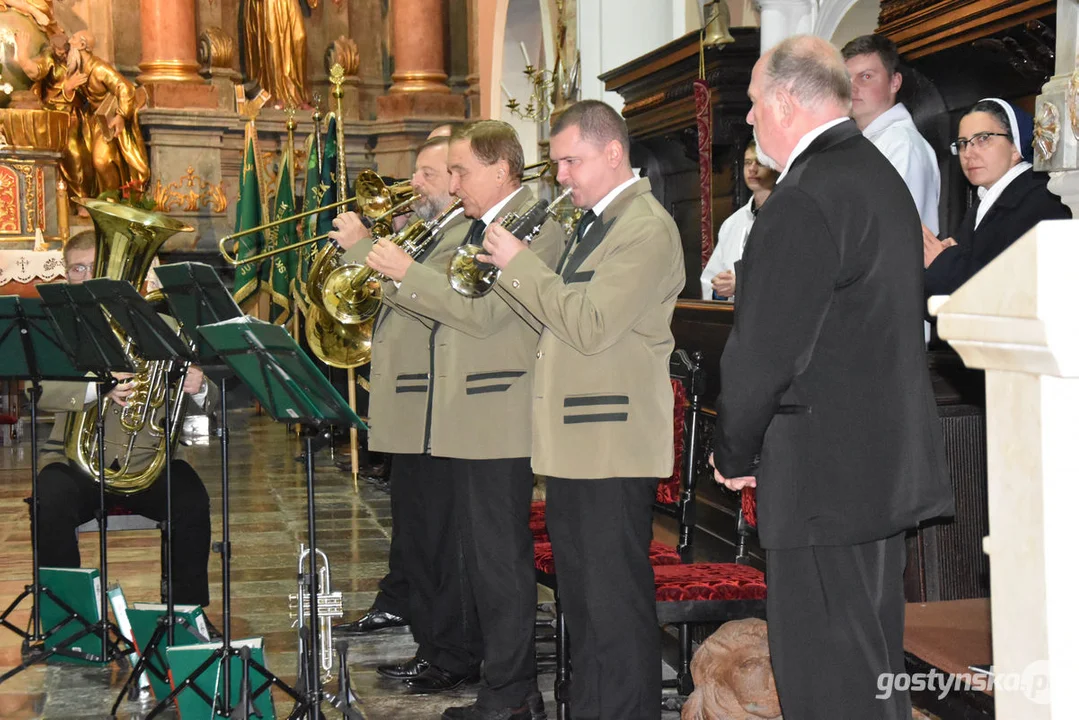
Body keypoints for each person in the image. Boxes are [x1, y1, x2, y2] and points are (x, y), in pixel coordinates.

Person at [708, 36, 954, 719]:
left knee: (823, 677)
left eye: (755, 103)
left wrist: (733, 451)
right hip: (871, 469)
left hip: (821, 478)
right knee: (864, 662)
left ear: (785, 101)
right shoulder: (872, 175)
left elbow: (764, 349)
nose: (749, 118)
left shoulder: (807, 194)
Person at [482, 100, 685, 720]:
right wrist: (511, 275)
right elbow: (557, 321)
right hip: (576, 442)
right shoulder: (590, 223)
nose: (560, 174)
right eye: (558, 161)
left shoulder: (645, 227)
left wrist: (523, 269)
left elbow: (592, 325)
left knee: (615, 608)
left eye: (571, 160)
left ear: (613, 152)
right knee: (586, 607)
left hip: (610, 442)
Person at [366, 120, 565, 718]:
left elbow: (482, 317)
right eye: (448, 172)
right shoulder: (482, 226)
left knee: (501, 563)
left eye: (461, 171)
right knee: (477, 560)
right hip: (465, 415)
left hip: (498, 414)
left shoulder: (536, 224)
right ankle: (503, 687)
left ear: (501, 169)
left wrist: (407, 273)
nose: (452, 183)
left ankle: (511, 693)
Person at [331, 136, 487, 694]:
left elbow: (429, 301)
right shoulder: (432, 233)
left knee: (438, 538)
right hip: (412, 403)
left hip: (436, 405)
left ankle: (449, 650)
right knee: (418, 535)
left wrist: (367, 249)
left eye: (426, 173)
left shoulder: (463, 237)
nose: (414, 182)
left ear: (454, 179)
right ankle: (432, 641)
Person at [33, 231, 217, 614]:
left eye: (93, 267)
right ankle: (63, 615)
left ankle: (186, 616)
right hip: (75, 463)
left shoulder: (164, 322)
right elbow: (42, 390)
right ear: (65, 275)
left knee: (192, 500)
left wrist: (198, 387)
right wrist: (99, 387)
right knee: (48, 501)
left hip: (150, 463)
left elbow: (210, 398)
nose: (85, 276)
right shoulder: (57, 325)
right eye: (76, 268)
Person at [923, 98, 1071, 299]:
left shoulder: (1042, 201)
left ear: (1016, 146)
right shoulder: (984, 202)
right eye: (963, 143)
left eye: (983, 139)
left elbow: (1014, 294)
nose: (968, 153)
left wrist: (942, 262)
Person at [842, 34, 940, 234]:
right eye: (846, 78)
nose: (852, 88)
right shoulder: (863, 143)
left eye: (866, 76)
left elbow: (897, 233)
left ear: (894, 82)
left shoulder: (902, 145)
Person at [699, 139, 775, 299]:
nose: (752, 169)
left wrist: (741, 285)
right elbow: (710, 280)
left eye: (759, 162)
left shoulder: (786, 215)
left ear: (775, 166)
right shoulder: (733, 223)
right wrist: (719, 288)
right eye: (747, 163)